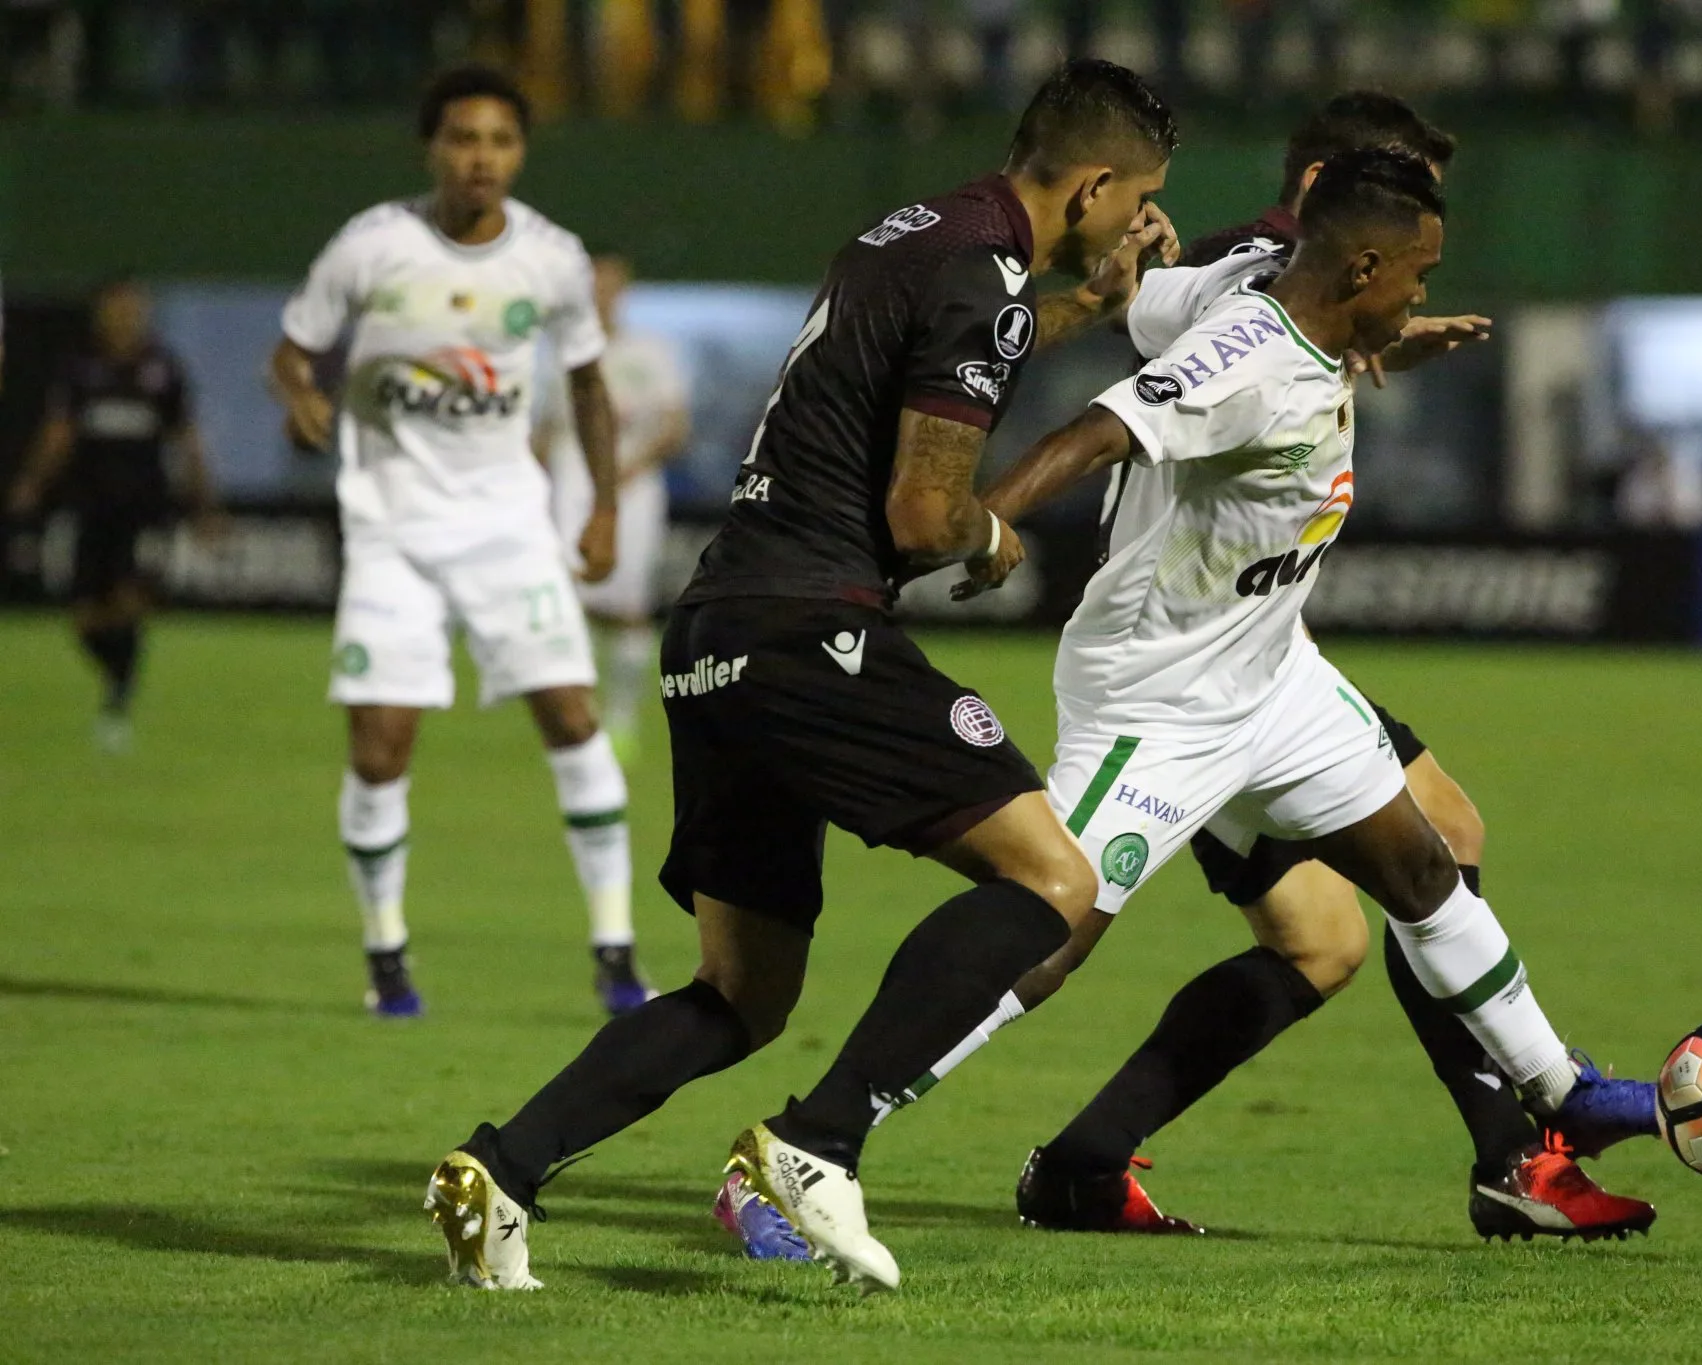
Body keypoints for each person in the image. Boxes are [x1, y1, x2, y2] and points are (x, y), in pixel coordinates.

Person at [813, 90, 1655, 1248]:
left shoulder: (1299, 310)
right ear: (1350, 243)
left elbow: (1174, 308)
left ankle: (1553, 1099)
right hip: (1159, 695)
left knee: (1419, 866)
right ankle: (820, 1134)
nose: (1423, 284)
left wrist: (1382, 334)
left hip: (1272, 676)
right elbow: (1101, 427)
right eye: (1412, 264)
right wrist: (975, 530)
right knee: (1049, 923)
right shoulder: (1243, 331)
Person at [424, 58, 1183, 1295]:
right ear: (1096, 186)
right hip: (808, 630)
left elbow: (956, 338)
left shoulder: (916, 231)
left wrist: (1084, 309)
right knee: (1051, 877)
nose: (1134, 222)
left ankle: (498, 1170)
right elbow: (927, 509)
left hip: (717, 626)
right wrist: (995, 539)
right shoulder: (981, 275)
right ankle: (815, 1145)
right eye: (1136, 199)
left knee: (744, 988)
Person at [267, 66, 655, 1021]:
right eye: (463, 139)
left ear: (520, 153)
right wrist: (302, 394)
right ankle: (387, 957)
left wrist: (602, 508)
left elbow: (592, 387)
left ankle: (616, 951)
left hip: (507, 528)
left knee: (572, 717)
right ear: (432, 148)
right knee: (381, 745)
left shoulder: (552, 260)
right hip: (392, 530)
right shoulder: (372, 246)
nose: (481, 158)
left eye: (500, 141)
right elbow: (292, 348)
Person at [8, 277, 219, 752]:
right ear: (101, 312)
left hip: (145, 509)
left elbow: (187, 439)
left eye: (133, 307)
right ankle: (115, 680)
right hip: (89, 507)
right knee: (85, 617)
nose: (125, 316)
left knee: (129, 601)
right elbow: (58, 433)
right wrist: (32, 482)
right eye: (116, 307)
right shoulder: (80, 369)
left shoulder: (163, 370)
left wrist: (204, 503)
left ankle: (118, 704)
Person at [537, 249, 690, 760]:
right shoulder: (561, 354)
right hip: (573, 483)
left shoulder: (650, 352)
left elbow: (674, 425)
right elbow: (543, 430)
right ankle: (575, 717)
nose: (603, 292)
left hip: (634, 487)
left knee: (627, 606)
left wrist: (634, 466)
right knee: (568, 601)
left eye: (611, 283)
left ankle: (622, 718)